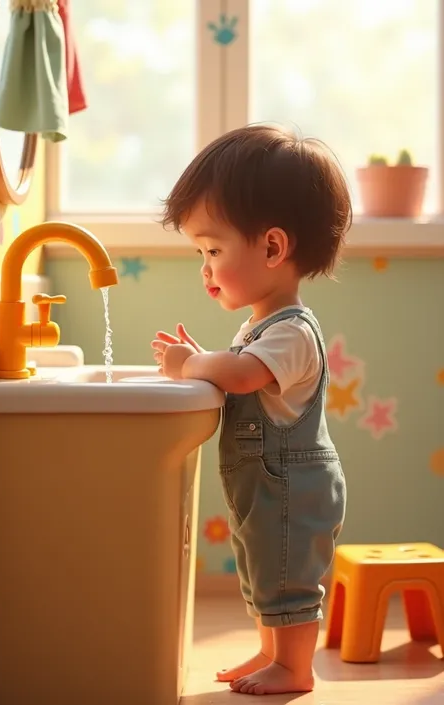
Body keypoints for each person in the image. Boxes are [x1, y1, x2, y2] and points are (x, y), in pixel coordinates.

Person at [151, 124, 349, 696]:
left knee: (288, 578)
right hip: (268, 485)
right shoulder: (262, 323)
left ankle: (294, 667)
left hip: (293, 483)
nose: (205, 268)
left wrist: (194, 363)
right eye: (200, 253)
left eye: (213, 250)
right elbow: (238, 366)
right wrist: (204, 358)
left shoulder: (291, 330)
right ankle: (270, 652)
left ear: (271, 247)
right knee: (265, 573)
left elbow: (242, 374)